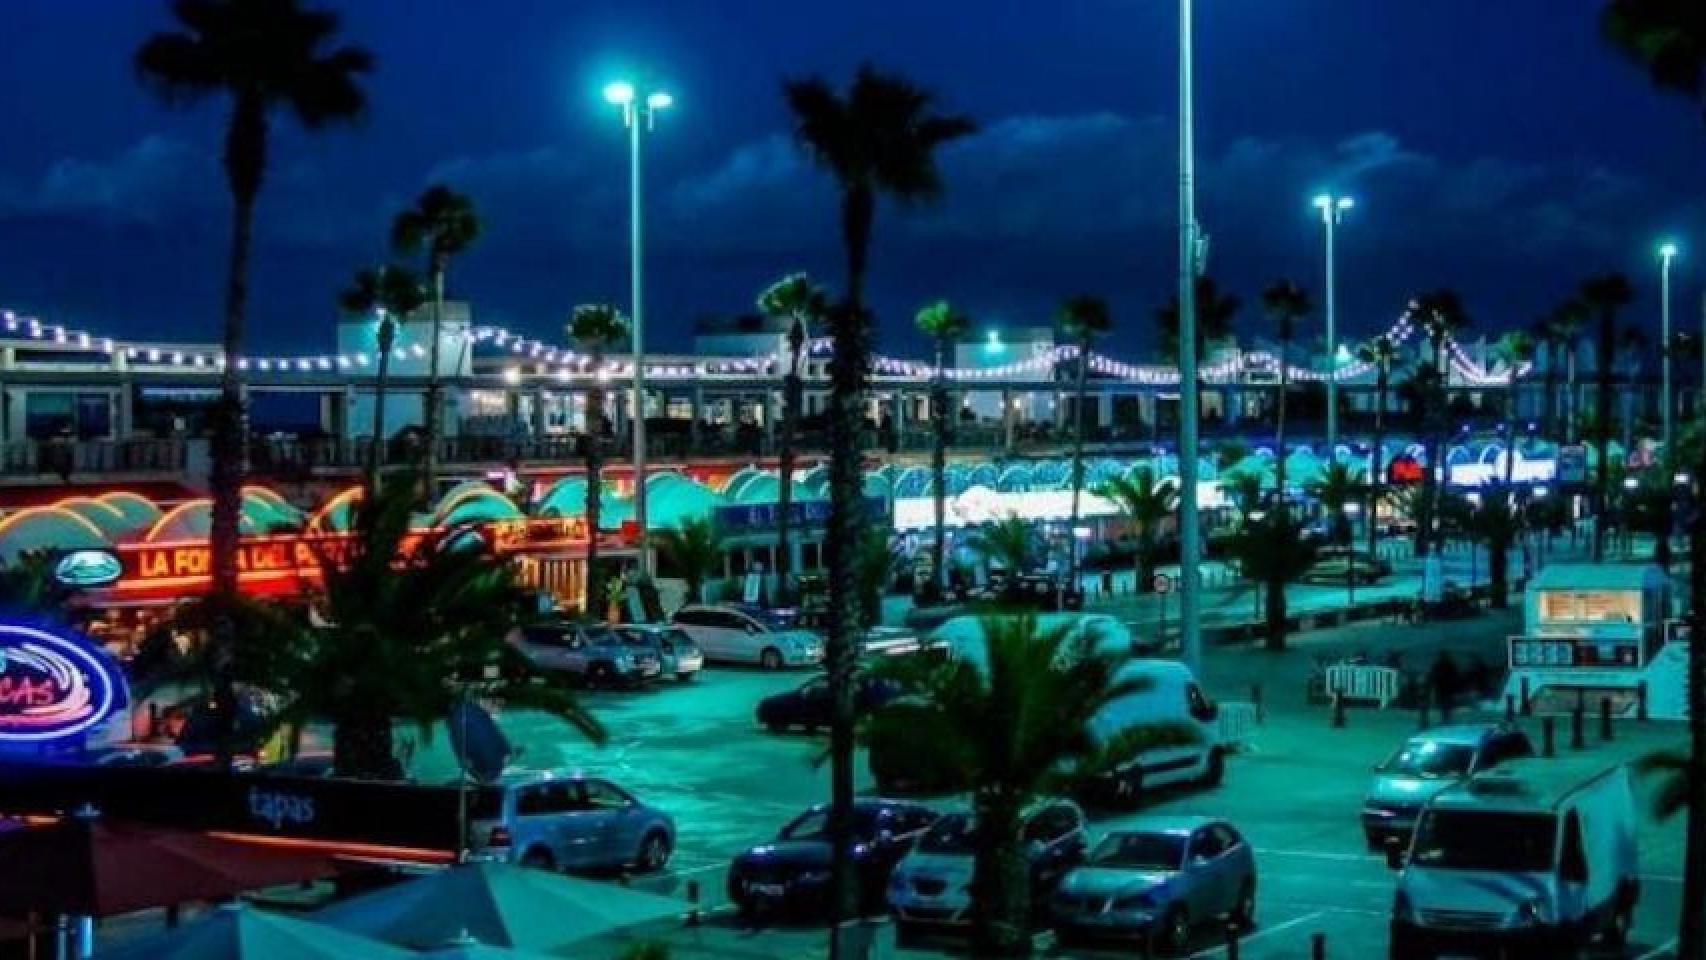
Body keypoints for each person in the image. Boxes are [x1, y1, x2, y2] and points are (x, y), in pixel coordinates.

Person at [1427, 650, 1460, 722]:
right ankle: (1446, 718)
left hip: (1443, 687)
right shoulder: (1448, 665)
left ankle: (1446, 718)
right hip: (1445, 687)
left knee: (1444, 704)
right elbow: (1455, 675)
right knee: (1446, 704)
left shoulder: (1440, 665)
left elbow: (1432, 676)